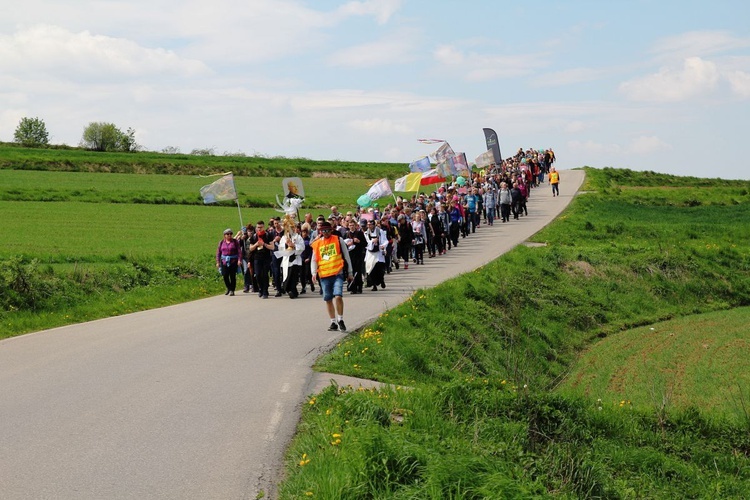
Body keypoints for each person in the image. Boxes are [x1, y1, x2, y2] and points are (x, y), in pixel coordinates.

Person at [310, 221, 354, 331]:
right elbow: (314, 259)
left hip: (337, 273)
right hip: (324, 275)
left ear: (331, 230)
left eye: (327, 230)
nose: (325, 233)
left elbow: (346, 256)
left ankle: (340, 319)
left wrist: (350, 272)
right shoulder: (317, 243)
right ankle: (333, 322)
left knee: (338, 296)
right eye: (323, 231)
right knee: (328, 299)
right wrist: (313, 273)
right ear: (320, 232)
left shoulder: (338, 240)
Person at [248, 220, 274, 298]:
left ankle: (265, 291)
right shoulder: (254, 236)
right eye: (258, 227)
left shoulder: (268, 235)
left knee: (265, 274)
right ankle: (261, 288)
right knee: (258, 274)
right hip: (257, 258)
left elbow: (272, 247)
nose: (259, 229)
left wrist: (264, 244)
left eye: (261, 227)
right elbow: (250, 248)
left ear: (264, 227)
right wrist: (256, 244)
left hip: (266, 258)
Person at [278, 224, 305, 298]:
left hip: (294, 260)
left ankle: (292, 291)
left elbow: (302, 247)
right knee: (286, 276)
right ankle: (290, 290)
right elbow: (280, 247)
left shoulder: (298, 237)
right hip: (286, 259)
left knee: (293, 276)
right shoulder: (284, 237)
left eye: (291, 228)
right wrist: (286, 244)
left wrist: (294, 245)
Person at [363, 219, 388, 291]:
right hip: (371, 253)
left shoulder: (380, 231)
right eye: (368, 225)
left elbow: (385, 240)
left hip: (379, 252)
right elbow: (367, 243)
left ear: (374, 225)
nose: (369, 226)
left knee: (380, 269)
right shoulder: (366, 233)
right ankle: (374, 285)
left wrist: (383, 246)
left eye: (370, 224)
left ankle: (381, 280)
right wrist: (372, 241)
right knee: (371, 269)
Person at [216, 228, 241, 296]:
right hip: (224, 261)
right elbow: (218, 252)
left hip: (233, 261)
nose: (229, 235)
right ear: (224, 235)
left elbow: (239, 252)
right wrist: (218, 262)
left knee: (232, 276)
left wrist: (239, 260)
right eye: (227, 234)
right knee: (225, 275)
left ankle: (232, 290)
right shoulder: (221, 242)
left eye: (230, 234)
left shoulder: (235, 242)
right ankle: (228, 288)